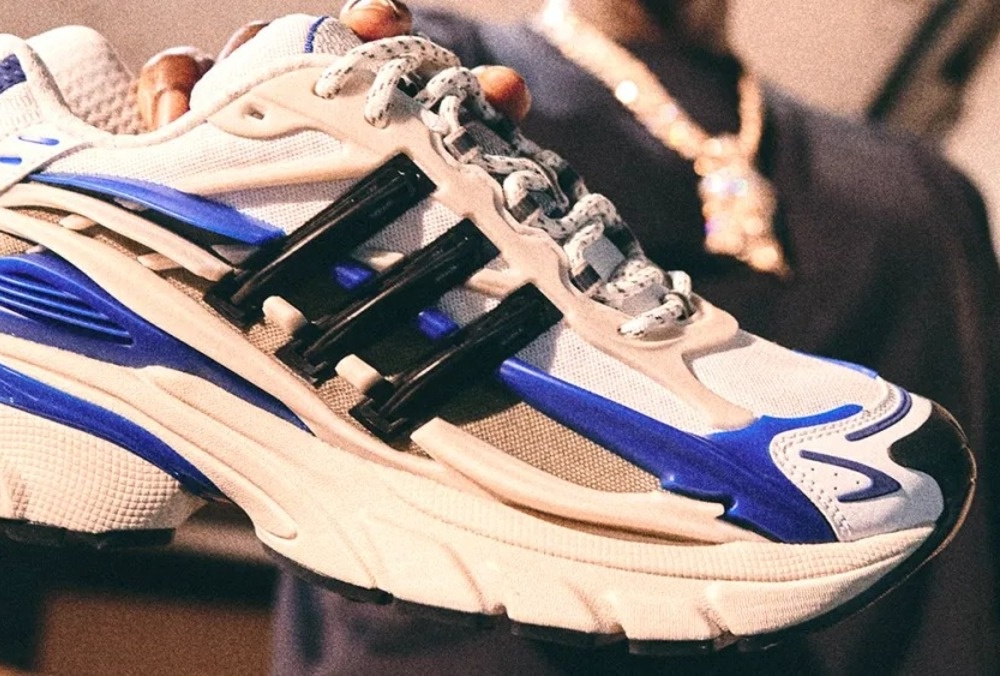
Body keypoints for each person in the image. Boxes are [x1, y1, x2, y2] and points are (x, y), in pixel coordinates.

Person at [140, 1, 1000, 672]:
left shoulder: (923, 191)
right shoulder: (439, 68)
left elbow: (972, 546)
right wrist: (231, 122)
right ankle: (122, 225)